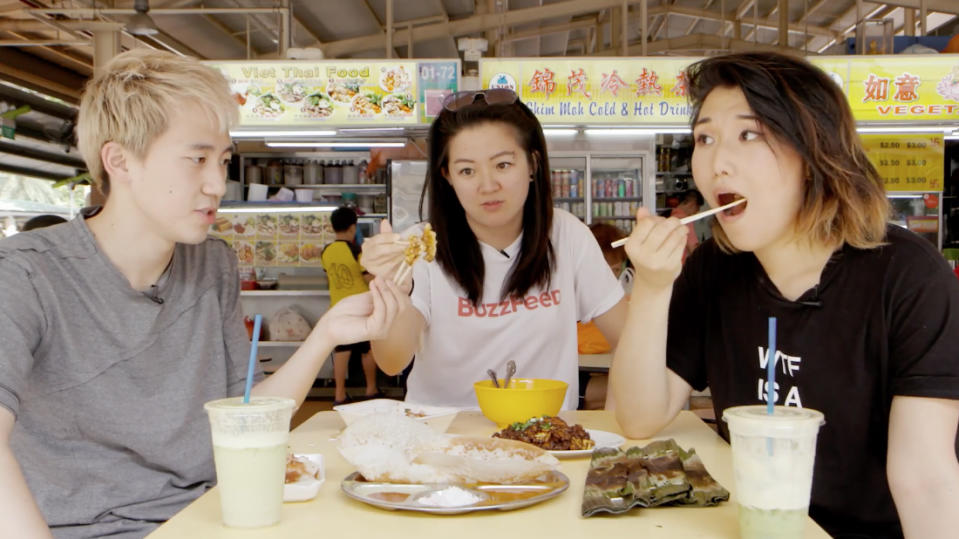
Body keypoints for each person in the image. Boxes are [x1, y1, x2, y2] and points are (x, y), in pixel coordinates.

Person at [0, 49, 403, 538]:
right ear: (119, 160)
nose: (216, 183)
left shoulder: (212, 263)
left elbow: (246, 416)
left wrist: (326, 335)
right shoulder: (26, 272)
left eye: (224, 160)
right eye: (197, 159)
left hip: (213, 518)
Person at [610, 51, 959, 538]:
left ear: (815, 150)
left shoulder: (906, 276)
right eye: (704, 138)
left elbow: (925, 481)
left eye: (748, 134)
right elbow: (636, 418)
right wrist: (651, 287)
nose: (716, 162)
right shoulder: (715, 271)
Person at [361, 89, 627, 410]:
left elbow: (630, 340)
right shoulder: (420, 247)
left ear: (532, 164)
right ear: (447, 177)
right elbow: (391, 361)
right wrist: (394, 292)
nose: (487, 185)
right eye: (467, 170)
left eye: (502, 165)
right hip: (441, 443)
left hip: (544, 441)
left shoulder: (568, 236)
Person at [321, 206, 382, 405]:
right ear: (353, 228)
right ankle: (371, 389)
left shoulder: (327, 251)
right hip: (361, 308)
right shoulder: (356, 250)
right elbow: (367, 278)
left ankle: (339, 394)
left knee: (342, 351)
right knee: (367, 349)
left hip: (338, 308)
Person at [668, 189, 703, 261]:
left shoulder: (670, 216)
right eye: (697, 209)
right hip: (681, 266)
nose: (695, 212)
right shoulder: (685, 220)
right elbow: (693, 249)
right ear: (692, 204)